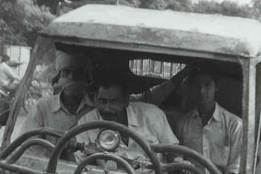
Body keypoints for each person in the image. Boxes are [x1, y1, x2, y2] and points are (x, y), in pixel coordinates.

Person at [21, 50, 185, 137]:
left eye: (78, 74)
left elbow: (148, 99)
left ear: (88, 78)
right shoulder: (42, 107)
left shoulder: (103, 103)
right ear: (59, 76)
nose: (71, 79)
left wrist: (182, 76)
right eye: (66, 73)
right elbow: (27, 148)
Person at [76, 78, 179, 163]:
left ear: (126, 101)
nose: (107, 108)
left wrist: (178, 161)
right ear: (95, 100)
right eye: (102, 101)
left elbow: (173, 150)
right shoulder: (86, 124)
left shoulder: (152, 115)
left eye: (114, 102)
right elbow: (79, 162)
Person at [175, 68, 242, 174]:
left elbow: (234, 170)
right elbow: (176, 158)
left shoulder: (234, 125)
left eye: (207, 85)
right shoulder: (182, 123)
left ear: (217, 87)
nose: (201, 91)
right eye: (197, 85)